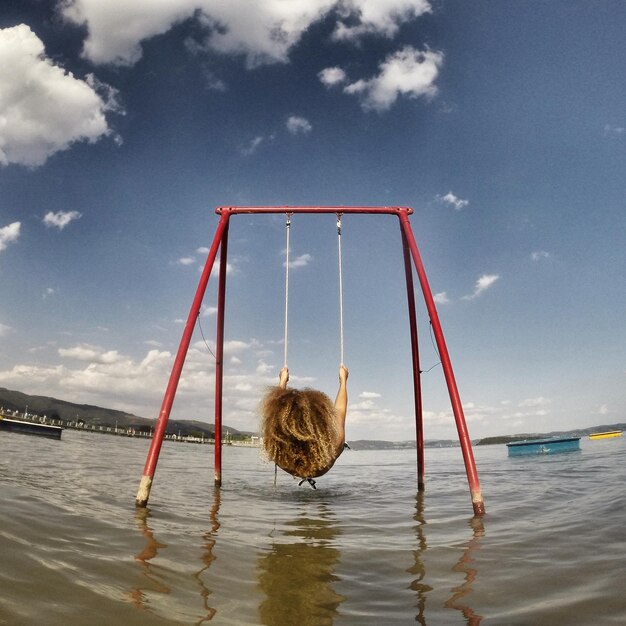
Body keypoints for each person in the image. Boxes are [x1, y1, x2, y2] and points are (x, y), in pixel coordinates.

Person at [260, 364, 349, 484]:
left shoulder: (278, 449)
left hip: (289, 464)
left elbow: (276, 414)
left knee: (274, 435)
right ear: (320, 421)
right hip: (322, 465)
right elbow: (340, 410)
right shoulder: (333, 445)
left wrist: (282, 383)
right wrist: (343, 381)